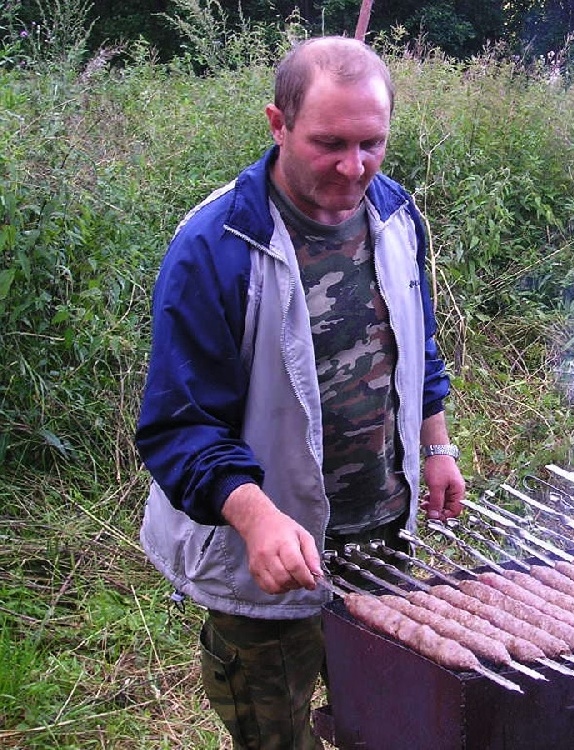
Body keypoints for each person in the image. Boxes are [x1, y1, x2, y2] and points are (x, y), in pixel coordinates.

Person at [135, 36, 465, 749]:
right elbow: (178, 427)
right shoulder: (217, 244)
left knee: (383, 721)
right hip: (267, 563)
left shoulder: (395, 213)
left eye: (373, 143)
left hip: (381, 539)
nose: (355, 168)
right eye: (330, 143)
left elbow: (418, 346)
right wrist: (255, 518)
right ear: (277, 125)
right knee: (274, 737)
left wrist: (436, 444)